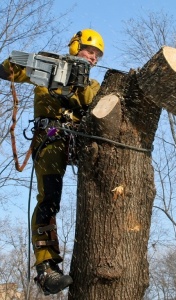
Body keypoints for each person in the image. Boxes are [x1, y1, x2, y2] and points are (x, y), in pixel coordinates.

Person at [0, 29, 104, 295]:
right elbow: (8, 71)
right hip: (52, 137)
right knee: (49, 199)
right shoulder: (48, 71)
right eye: (90, 51)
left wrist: (76, 88)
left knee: (104, 186)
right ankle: (46, 269)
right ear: (75, 47)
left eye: (97, 55)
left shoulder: (91, 86)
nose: (93, 58)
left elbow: (96, 106)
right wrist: (32, 63)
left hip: (81, 140)